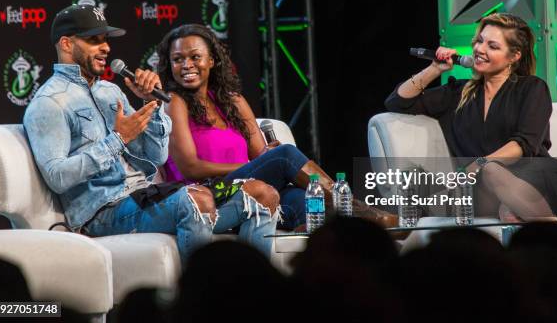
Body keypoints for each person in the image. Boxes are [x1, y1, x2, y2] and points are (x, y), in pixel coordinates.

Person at [23, 4, 272, 265]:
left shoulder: (110, 92)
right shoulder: (49, 103)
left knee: (262, 195)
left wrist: (150, 105)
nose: (106, 48)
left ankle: (254, 298)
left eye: (105, 40)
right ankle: (199, 302)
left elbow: (156, 155)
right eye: (94, 40)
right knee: (195, 200)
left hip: (145, 196)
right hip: (102, 213)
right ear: (66, 44)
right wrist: (116, 141)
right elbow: (57, 177)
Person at [384, 12, 557, 272]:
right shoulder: (458, 93)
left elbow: (524, 145)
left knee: (504, 194)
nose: (479, 49)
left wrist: (481, 164)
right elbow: (397, 102)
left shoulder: (532, 88)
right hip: (477, 190)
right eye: (479, 41)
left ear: (514, 56)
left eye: (492, 46)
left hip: (531, 179)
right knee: (493, 178)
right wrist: (434, 69)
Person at [156, 23, 397, 230]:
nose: (186, 65)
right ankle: (359, 212)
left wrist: (266, 158)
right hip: (207, 195)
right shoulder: (174, 102)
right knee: (284, 157)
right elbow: (190, 168)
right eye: (178, 60)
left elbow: (260, 154)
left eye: (195, 57)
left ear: (212, 60)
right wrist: (258, 164)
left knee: (305, 201)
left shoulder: (232, 101)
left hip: (252, 188)